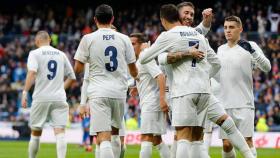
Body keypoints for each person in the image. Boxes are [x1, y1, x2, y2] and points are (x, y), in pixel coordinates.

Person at [139, 4, 254, 158]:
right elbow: (216, 63)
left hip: (182, 91)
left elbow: (146, 58)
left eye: (192, 14)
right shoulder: (197, 35)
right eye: (186, 13)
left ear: (163, 19)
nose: (189, 17)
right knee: (203, 135)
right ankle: (250, 155)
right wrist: (201, 73)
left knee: (183, 136)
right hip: (203, 91)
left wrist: (162, 54)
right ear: (177, 15)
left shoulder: (168, 37)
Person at [73, 4, 138, 158]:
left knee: (103, 138)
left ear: (95, 20)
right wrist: (137, 80)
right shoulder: (124, 39)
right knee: (115, 134)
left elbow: (78, 69)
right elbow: (134, 70)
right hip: (119, 93)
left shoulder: (88, 39)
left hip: (99, 92)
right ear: (112, 19)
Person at [216, 15, 271, 158]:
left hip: (244, 103)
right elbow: (217, 75)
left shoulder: (250, 45)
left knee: (247, 141)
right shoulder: (220, 49)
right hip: (224, 104)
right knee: (227, 144)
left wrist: (252, 51)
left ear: (240, 29)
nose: (227, 31)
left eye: (231, 27)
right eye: (226, 27)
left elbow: (267, 67)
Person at [21, 31, 76, 158]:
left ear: (36, 41)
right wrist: (61, 89)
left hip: (41, 97)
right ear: (50, 40)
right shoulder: (61, 54)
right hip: (59, 98)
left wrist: (24, 92)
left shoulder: (34, 53)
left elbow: (32, 73)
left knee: (35, 132)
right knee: (60, 131)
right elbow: (72, 77)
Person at [79, 25, 128, 158]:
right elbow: (86, 80)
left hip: (104, 96)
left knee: (112, 140)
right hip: (116, 96)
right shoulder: (95, 54)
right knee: (103, 139)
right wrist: (83, 102)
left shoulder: (120, 51)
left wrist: (83, 103)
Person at [129, 33, 170, 158]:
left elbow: (160, 76)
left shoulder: (143, 57)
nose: (131, 47)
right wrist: (136, 87)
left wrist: (162, 99)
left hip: (152, 103)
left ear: (141, 45)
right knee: (156, 139)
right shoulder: (140, 59)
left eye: (133, 44)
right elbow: (150, 76)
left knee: (146, 137)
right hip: (151, 101)